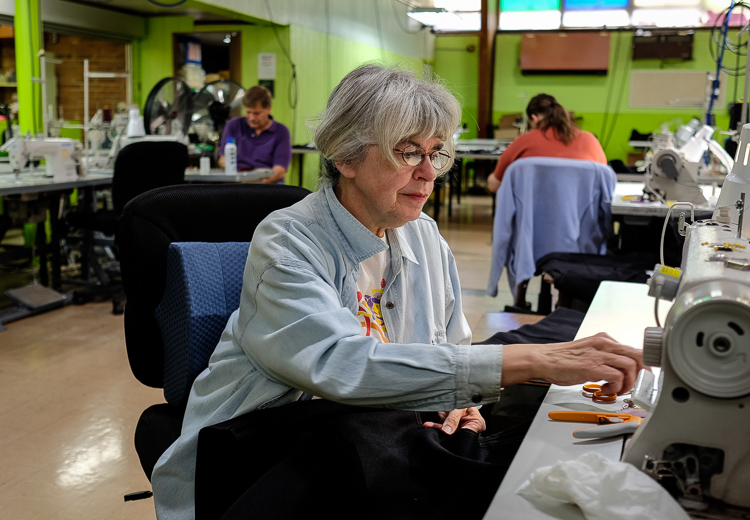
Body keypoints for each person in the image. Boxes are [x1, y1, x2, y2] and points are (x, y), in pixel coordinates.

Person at [151, 65, 645, 519]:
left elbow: (449, 344)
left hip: (363, 441)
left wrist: (461, 400)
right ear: (345, 155)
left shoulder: (423, 235)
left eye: (437, 153)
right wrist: (530, 363)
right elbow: (341, 365)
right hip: (257, 455)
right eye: (408, 152)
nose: (429, 172)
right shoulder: (288, 241)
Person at [488, 93, 607, 193]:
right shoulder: (590, 140)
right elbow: (604, 182)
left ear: (534, 119)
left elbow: (494, 185)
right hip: (581, 218)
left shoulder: (523, 141)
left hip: (532, 218)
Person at [218, 85, 292, 184]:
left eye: (256, 113)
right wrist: (225, 163)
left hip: (268, 185)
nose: (252, 118)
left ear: (269, 108)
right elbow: (222, 159)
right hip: (238, 183)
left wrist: (254, 185)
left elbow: (280, 170)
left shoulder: (281, 131)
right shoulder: (233, 125)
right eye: (248, 112)